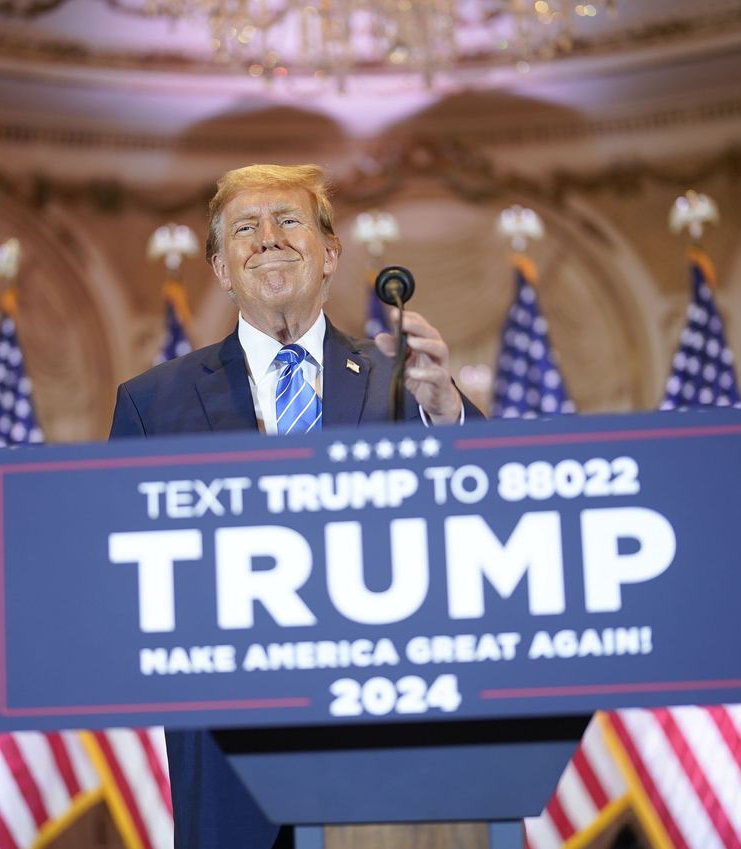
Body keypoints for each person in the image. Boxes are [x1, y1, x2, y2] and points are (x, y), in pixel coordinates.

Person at [109, 163, 482, 849]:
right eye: (245, 229)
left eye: (289, 221)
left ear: (330, 254)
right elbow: (121, 577)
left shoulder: (404, 380)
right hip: (230, 765)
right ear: (221, 266)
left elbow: (492, 510)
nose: (268, 239)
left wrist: (448, 416)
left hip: (385, 754)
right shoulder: (151, 403)